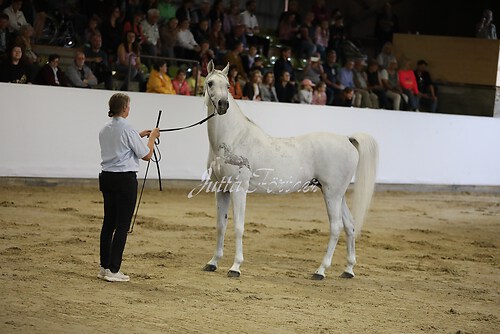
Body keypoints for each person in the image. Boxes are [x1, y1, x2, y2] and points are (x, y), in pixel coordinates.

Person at [98, 92, 160, 282]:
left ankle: (104, 266)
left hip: (107, 178)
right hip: (124, 180)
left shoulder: (105, 129)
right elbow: (146, 155)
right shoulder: (128, 129)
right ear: (125, 108)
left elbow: (122, 145)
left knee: (109, 223)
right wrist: (152, 138)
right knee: (123, 225)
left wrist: (139, 135)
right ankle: (114, 270)